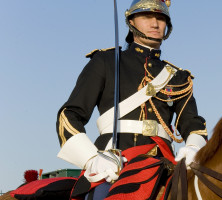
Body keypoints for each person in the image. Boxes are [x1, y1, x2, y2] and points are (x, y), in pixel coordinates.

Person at [56, 0, 207, 198]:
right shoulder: (106, 61)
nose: (155, 24)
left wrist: (194, 147)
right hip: (113, 165)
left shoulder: (178, 77)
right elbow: (69, 116)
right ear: (131, 22)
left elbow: (194, 124)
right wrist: (91, 158)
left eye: (161, 18)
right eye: (147, 17)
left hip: (163, 163)